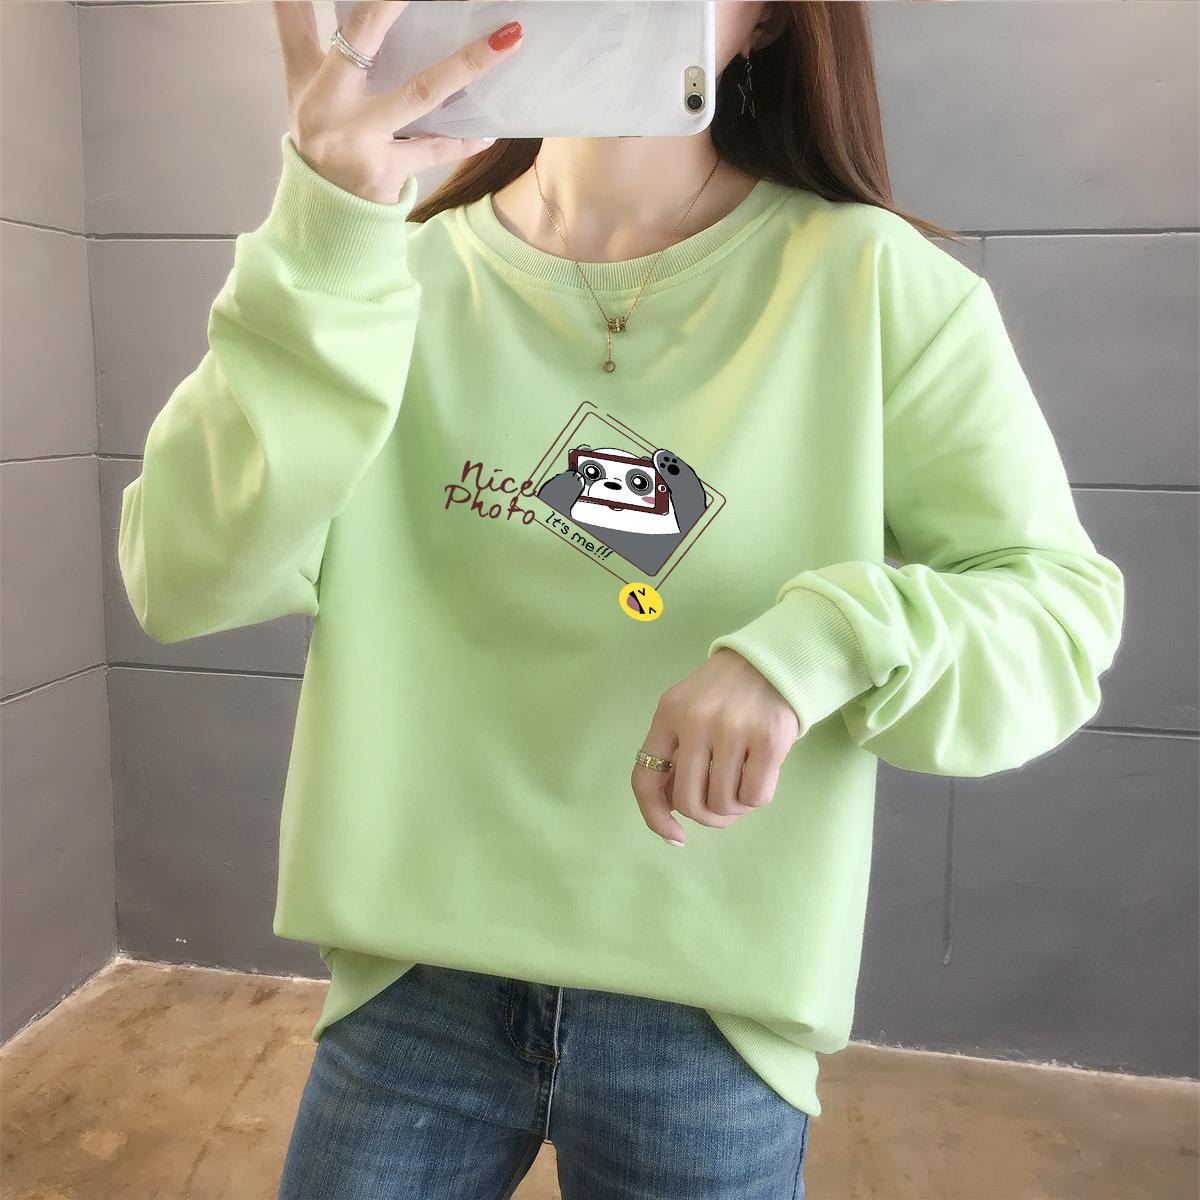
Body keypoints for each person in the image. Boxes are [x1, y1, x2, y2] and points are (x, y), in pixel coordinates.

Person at [116, 2, 1127, 1197]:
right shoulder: (383, 276)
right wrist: (328, 228)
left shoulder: (877, 287)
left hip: (707, 1016)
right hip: (411, 986)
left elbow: (1057, 619)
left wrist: (828, 637)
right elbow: (180, 575)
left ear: (770, 23)